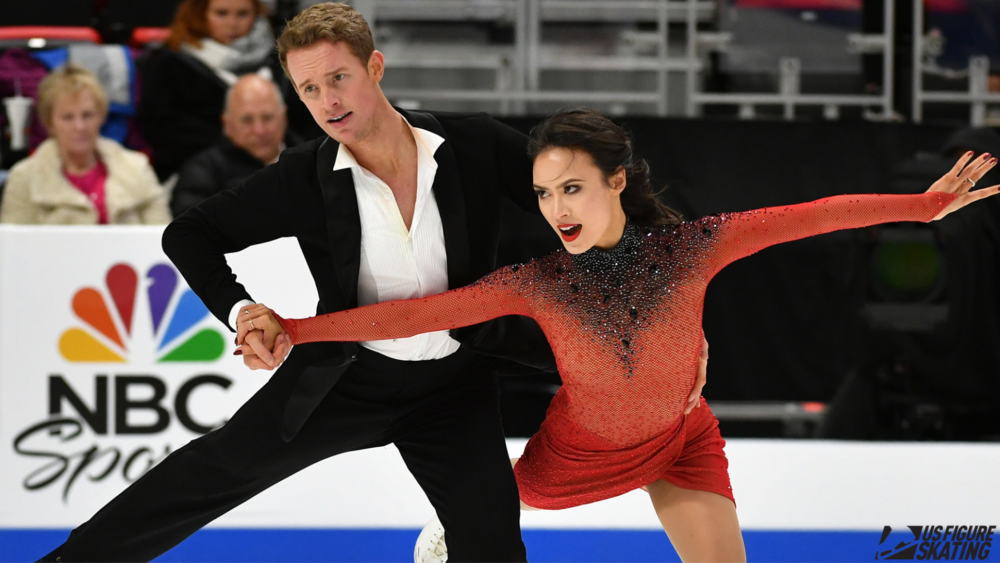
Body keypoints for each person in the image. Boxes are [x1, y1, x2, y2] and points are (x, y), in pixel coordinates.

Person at [34, 5, 709, 562]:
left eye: (339, 78)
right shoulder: (303, 178)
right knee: (207, 473)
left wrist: (656, 298)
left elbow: (584, 187)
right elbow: (189, 233)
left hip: (454, 384)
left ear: (374, 68)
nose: (327, 101)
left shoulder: (470, 148)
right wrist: (242, 310)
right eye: (309, 89)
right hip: (344, 380)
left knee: (494, 545)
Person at [238, 108, 999, 562]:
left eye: (571, 186)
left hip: (679, 439)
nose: (556, 207)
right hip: (573, 455)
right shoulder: (540, 282)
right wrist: (302, 329)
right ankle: (454, 521)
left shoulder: (693, 246)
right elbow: (412, 315)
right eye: (542, 193)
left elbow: (809, 214)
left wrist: (918, 208)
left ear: (617, 182)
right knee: (501, 505)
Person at [0, 64, 170, 225]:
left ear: (101, 116)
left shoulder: (136, 167)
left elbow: (161, 238)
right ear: (50, 123)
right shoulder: (24, 178)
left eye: (87, 115)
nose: (79, 127)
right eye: (68, 117)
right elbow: (14, 247)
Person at [139, 0, 277, 179]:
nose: (233, 23)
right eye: (221, 14)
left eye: (243, 14)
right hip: (194, 172)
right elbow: (160, 127)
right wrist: (235, 146)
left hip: (277, 165)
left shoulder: (279, 60)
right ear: (199, 14)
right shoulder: (167, 62)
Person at [170, 74, 297, 217]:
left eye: (267, 118)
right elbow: (190, 225)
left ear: (284, 118)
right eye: (247, 120)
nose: (259, 130)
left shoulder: (314, 158)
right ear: (227, 124)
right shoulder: (203, 171)